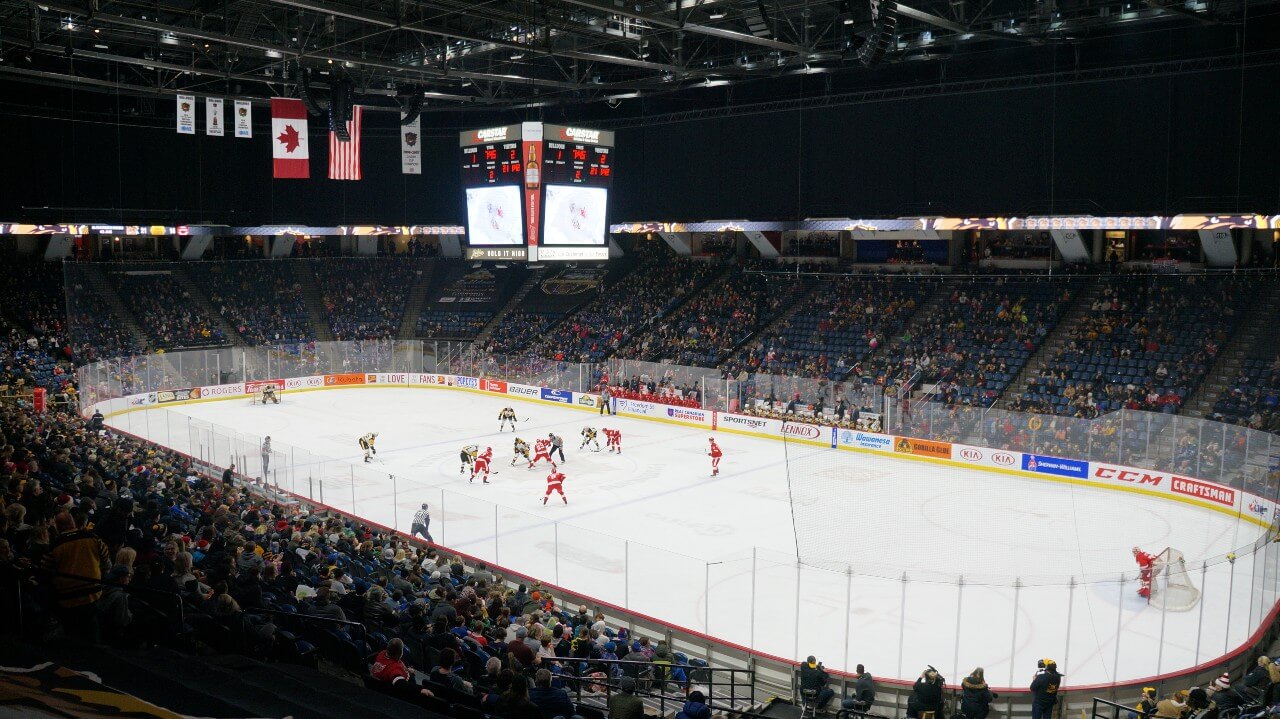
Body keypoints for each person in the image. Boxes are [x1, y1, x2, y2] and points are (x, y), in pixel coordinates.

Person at [42, 511, 111, 642]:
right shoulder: (93, 537)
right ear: (73, 522)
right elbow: (106, 557)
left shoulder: (55, 544)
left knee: (72, 633)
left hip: (67, 597)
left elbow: (45, 569)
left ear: (58, 526)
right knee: (92, 631)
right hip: (93, 594)